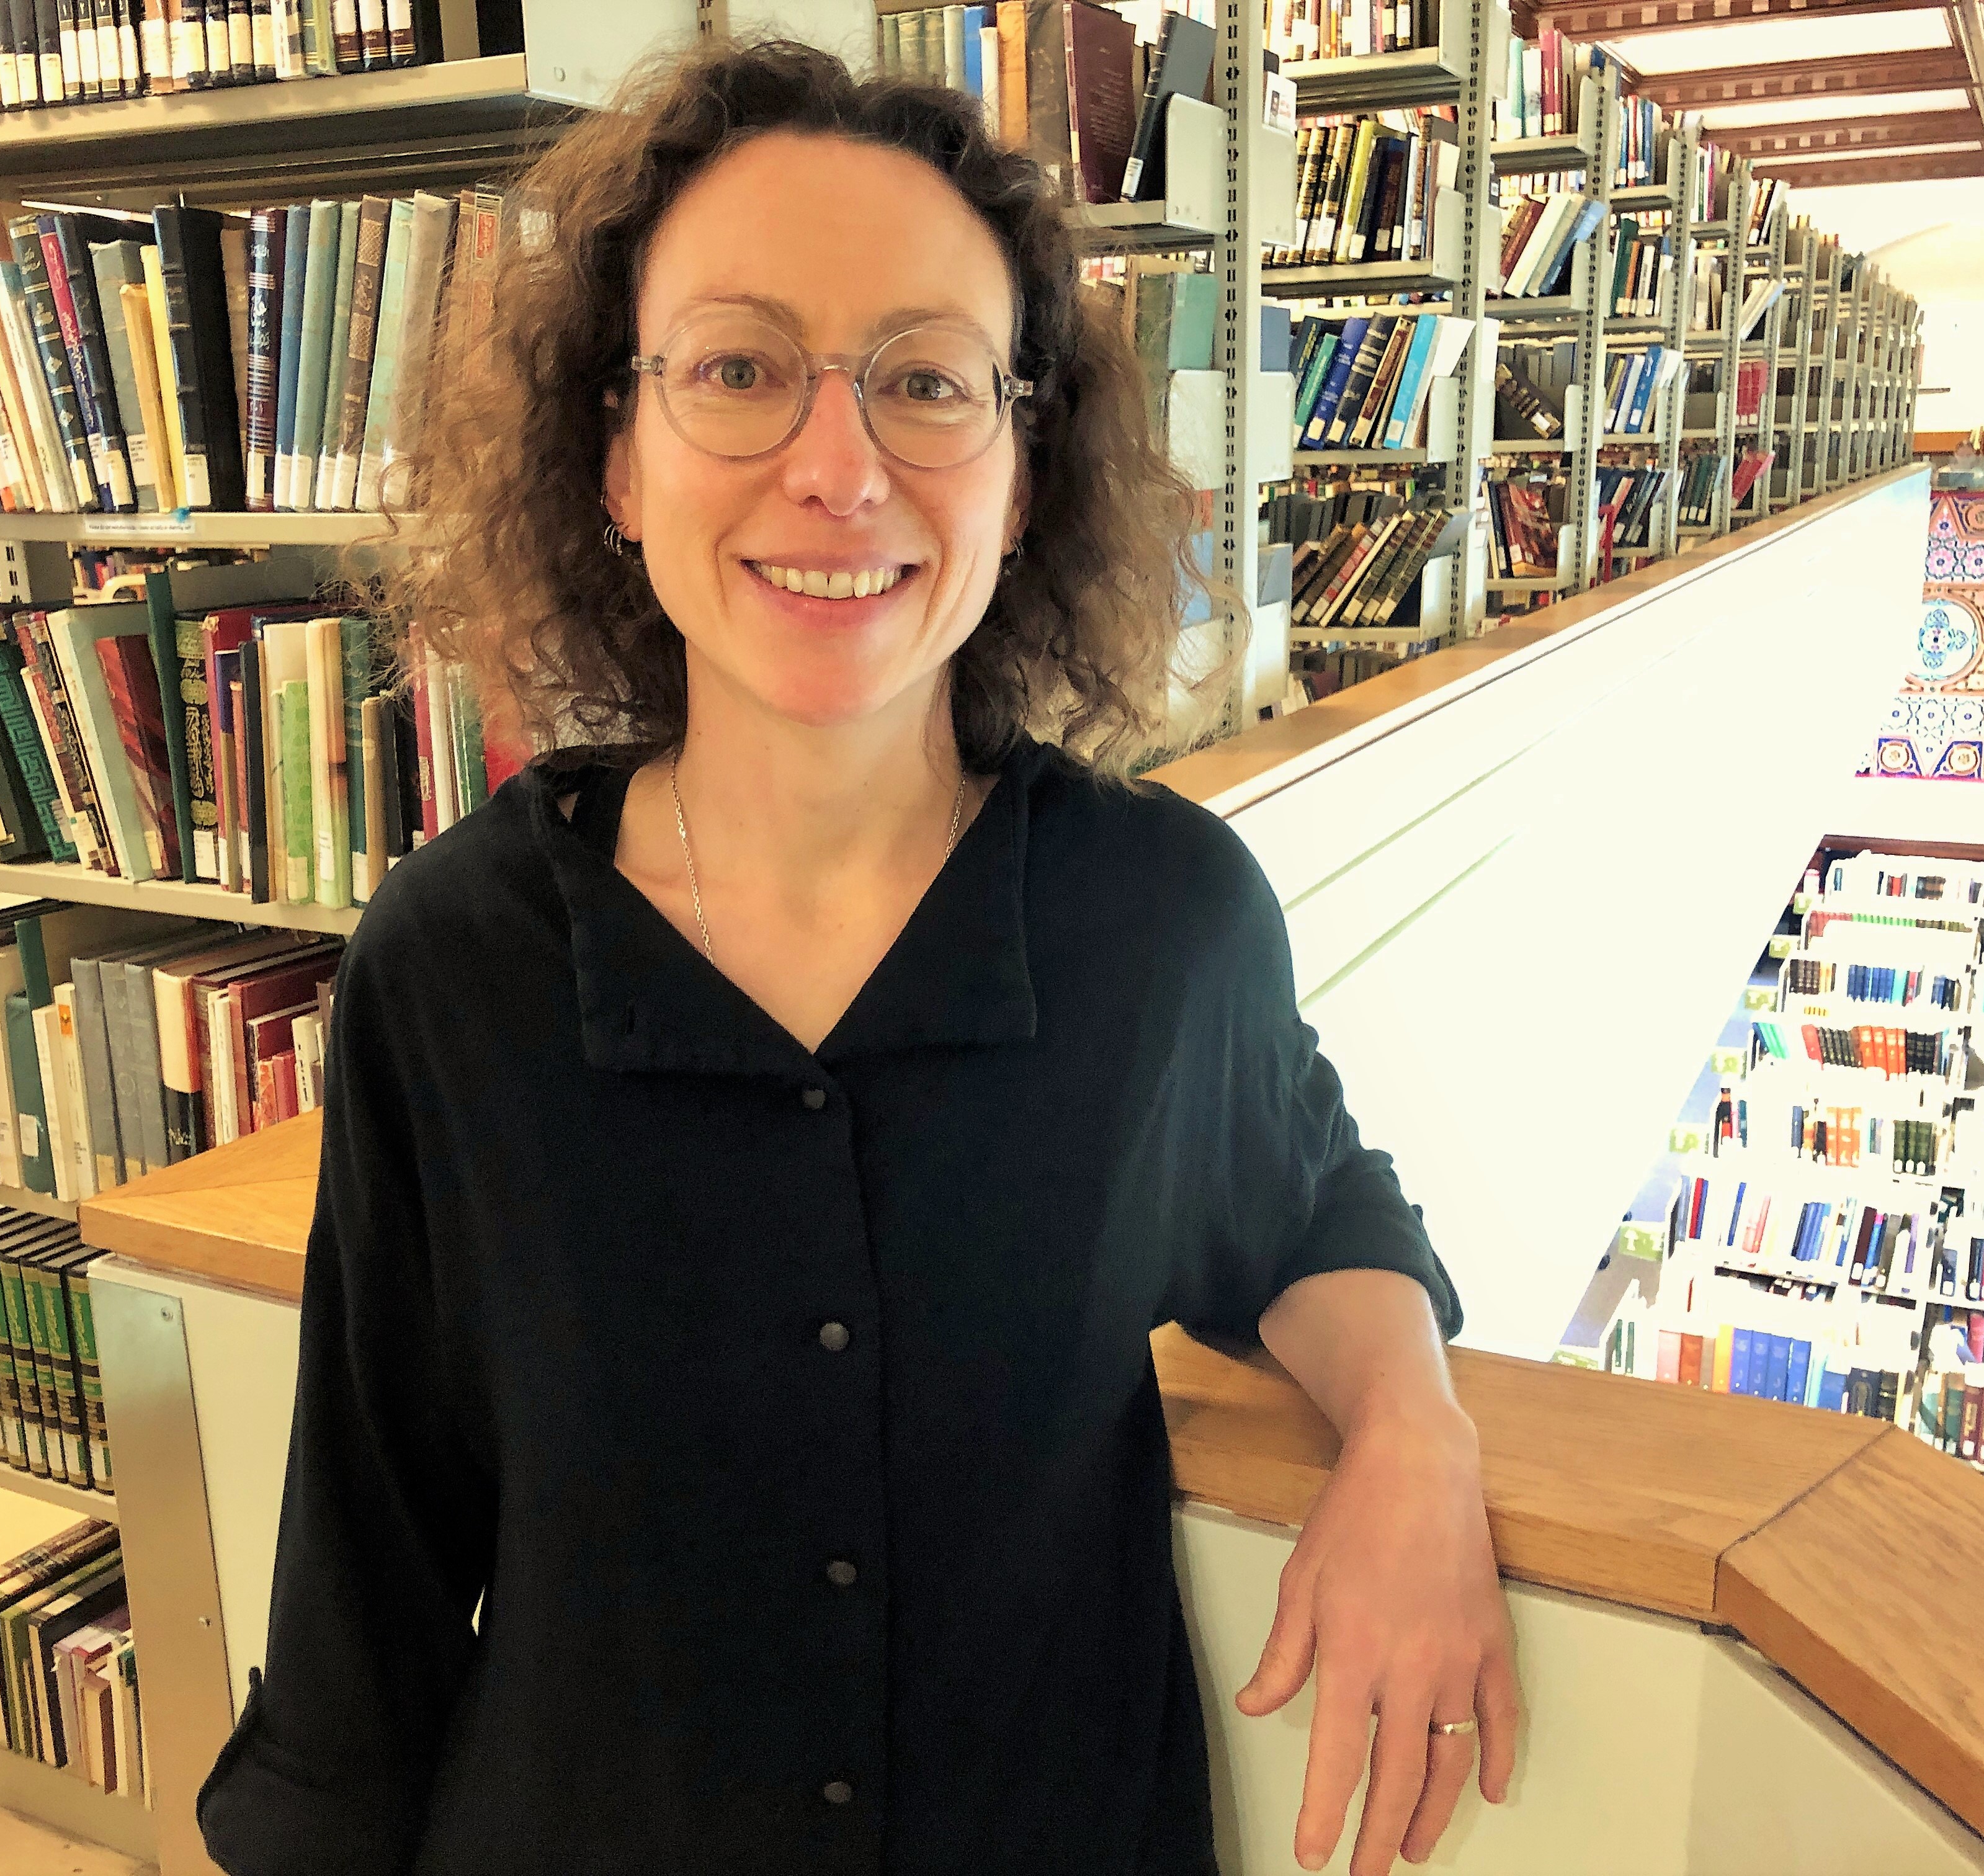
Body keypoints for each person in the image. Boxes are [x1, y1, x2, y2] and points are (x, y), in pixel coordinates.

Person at [197, 39, 1516, 1876]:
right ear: (618, 459)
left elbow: (1312, 1213)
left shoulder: (1164, 923)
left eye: (924, 383)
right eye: (738, 371)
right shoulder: (452, 964)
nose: (839, 470)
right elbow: (370, 1591)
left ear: (1027, 469)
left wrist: (1415, 1436)